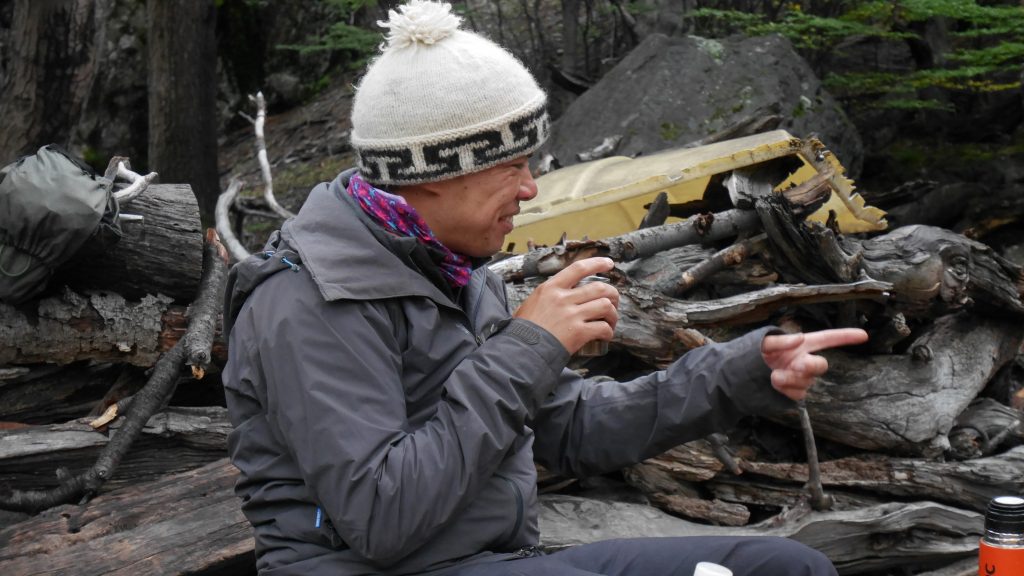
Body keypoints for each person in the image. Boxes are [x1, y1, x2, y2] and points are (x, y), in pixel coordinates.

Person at [221, 2, 868, 575]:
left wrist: (738, 373)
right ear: (435, 175)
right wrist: (530, 345)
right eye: (511, 165)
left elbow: (572, 427)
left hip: (495, 562)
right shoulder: (310, 299)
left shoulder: (449, 267)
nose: (531, 189)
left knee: (781, 565)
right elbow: (383, 517)